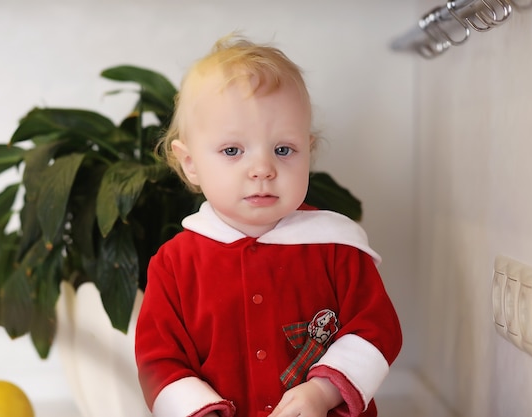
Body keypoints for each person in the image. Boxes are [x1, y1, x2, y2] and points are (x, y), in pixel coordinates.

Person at [134, 34, 402, 417]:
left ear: (306, 151)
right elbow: (158, 358)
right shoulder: (175, 265)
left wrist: (323, 393)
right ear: (190, 163)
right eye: (232, 151)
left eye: (283, 149)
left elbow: (375, 329)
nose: (262, 169)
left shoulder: (337, 248)